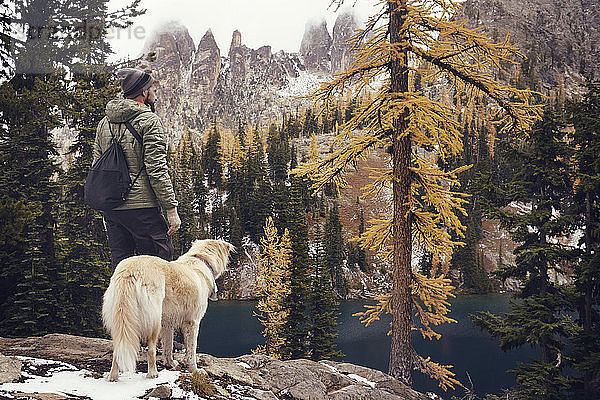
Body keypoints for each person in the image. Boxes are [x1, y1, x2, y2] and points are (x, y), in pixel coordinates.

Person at [93, 67, 181, 271]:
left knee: (121, 269)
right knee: (158, 266)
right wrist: (171, 209)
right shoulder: (149, 121)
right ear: (143, 92)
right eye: (152, 89)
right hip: (142, 209)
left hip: (113, 209)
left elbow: (97, 166)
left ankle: (121, 304)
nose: (154, 93)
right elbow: (157, 169)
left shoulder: (104, 123)